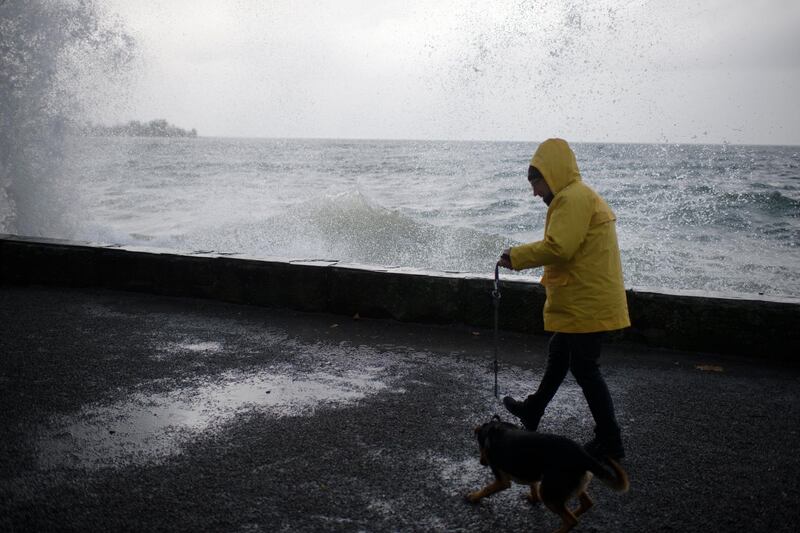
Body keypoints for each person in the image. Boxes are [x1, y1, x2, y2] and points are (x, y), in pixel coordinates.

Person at [497, 138, 630, 460]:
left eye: (536, 183)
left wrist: (515, 256)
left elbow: (560, 247)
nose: (535, 192)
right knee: (560, 353)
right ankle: (533, 409)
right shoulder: (576, 196)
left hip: (588, 299)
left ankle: (610, 440)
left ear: (552, 175)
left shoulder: (572, 199)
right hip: (586, 295)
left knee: (585, 368)